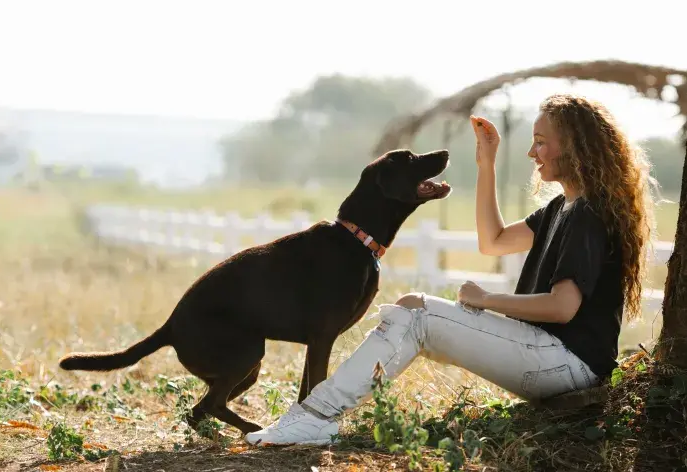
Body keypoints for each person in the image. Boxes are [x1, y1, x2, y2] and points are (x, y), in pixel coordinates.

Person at [245, 93, 656, 447]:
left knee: (417, 313)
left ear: (576, 146)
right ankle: (314, 416)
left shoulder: (587, 214)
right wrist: (487, 165)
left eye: (541, 142)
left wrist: (486, 300)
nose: (533, 154)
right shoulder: (560, 207)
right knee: (412, 311)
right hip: (550, 358)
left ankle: (314, 418)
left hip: (567, 365)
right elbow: (492, 241)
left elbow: (564, 307)